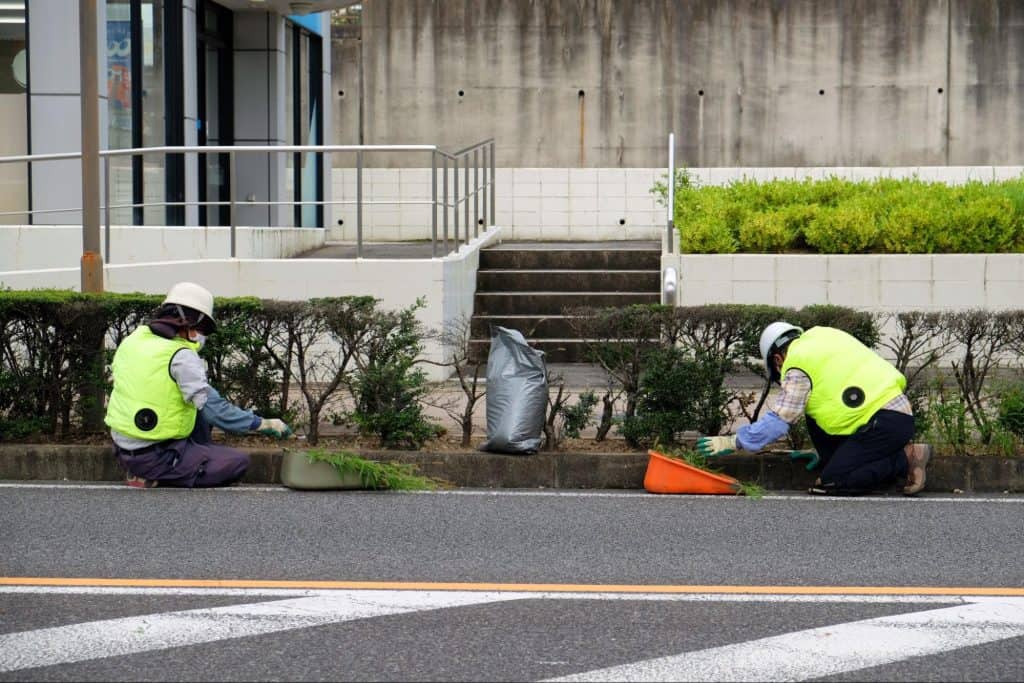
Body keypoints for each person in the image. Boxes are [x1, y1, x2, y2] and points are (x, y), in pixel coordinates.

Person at [696, 322, 932, 496]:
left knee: (831, 482)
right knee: (811, 409)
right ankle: (835, 457)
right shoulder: (824, 336)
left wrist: (734, 441)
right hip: (890, 415)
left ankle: (906, 458)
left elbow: (781, 419)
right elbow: (831, 396)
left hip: (882, 423)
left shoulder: (797, 363)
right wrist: (823, 451)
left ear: (777, 360)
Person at [104, 282, 293, 488]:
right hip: (156, 455)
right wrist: (263, 424)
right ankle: (159, 475)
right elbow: (216, 411)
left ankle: (156, 468)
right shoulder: (181, 356)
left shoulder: (133, 340)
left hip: (123, 449)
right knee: (237, 462)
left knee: (195, 410)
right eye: (202, 329)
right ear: (189, 322)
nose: (200, 335)